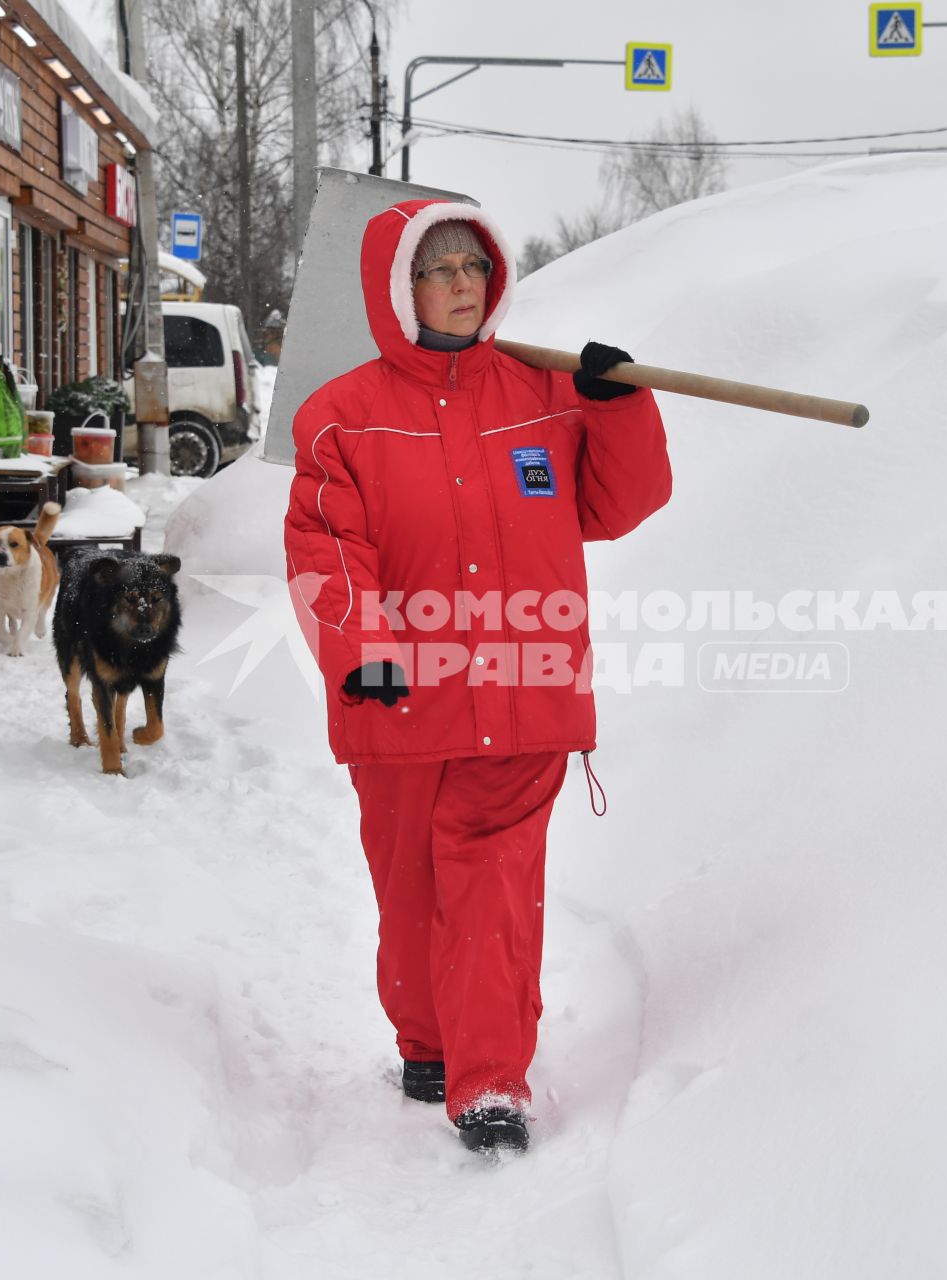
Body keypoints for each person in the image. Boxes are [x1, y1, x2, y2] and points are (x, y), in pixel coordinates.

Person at [284, 200, 672, 1154]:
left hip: (520, 690)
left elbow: (619, 504)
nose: (463, 284)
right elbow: (326, 547)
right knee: (411, 891)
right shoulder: (342, 417)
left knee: (495, 893)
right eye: (439, 268)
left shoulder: (542, 396)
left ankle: (491, 1080)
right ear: (396, 288)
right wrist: (363, 647)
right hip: (403, 698)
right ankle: (428, 1046)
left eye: (475, 267)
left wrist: (617, 408)